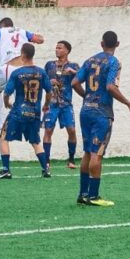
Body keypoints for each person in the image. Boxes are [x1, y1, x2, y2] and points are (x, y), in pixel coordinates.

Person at [71, 31, 130, 207]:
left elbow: (74, 83)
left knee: (87, 152)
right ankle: (94, 196)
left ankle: (83, 194)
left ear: (102, 44)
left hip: (86, 110)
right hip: (102, 112)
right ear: (117, 44)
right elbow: (110, 87)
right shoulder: (114, 62)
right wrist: (128, 103)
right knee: (97, 153)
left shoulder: (90, 60)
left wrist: (87, 97)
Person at [0, 43, 52, 179]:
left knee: (3, 137)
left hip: (18, 112)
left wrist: (7, 103)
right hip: (35, 112)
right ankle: (45, 169)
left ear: (23, 55)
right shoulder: (41, 72)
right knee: (35, 141)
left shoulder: (17, 73)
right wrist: (46, 105)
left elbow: (7, 93)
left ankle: (6, 170)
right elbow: (49, 91)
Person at [42, 41, 80, 169]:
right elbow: (42, 80)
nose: (57, 50)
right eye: (56, 47)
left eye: (60, 48)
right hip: (51, 104)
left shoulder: (74, 65)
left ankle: (71, 158)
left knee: (72, 130)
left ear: (67, 51)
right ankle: (46, 161)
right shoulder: (49, 65)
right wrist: (49, 81)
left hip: (66, 104)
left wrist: (73, 72)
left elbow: (82, 77)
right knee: (48, 130)